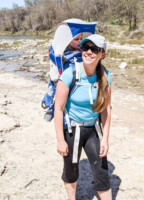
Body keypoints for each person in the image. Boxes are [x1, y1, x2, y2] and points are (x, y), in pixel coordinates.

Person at [54, 34, 112, 200]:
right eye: (85, 48)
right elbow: (58, 109)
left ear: (103, 54)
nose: (89, 52)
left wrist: (105, 139)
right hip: (73, 130)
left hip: (93, 129)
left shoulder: (106, 76)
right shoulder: (69, 74)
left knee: (102, 172)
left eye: (94, 49)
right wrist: (60, 140)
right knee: (71, 171)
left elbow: (106, 109)